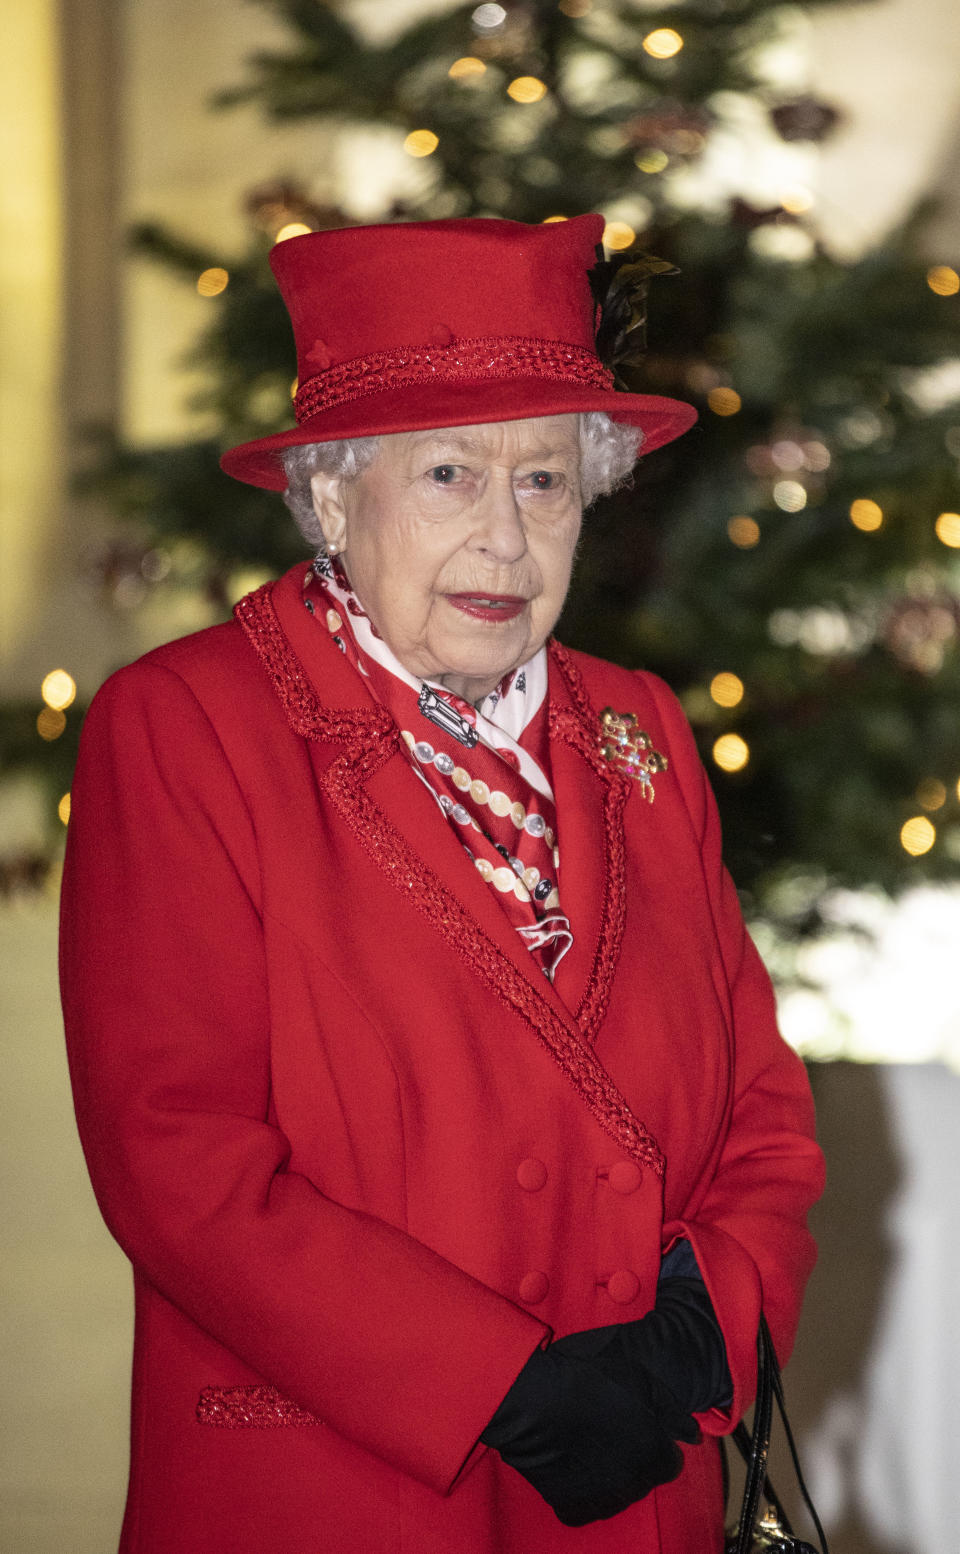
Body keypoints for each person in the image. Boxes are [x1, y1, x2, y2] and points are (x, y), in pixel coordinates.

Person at [60, 213, 824, 1554]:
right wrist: (500, 1380)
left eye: (544, 483)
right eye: (451, 476)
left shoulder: (641, 727)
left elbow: (763, 1108)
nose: (506, 540)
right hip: (340, 1492)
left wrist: (709, 1319)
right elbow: (177, 1152)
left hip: (632, 1490)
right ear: (335, 494)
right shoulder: (187, 725)